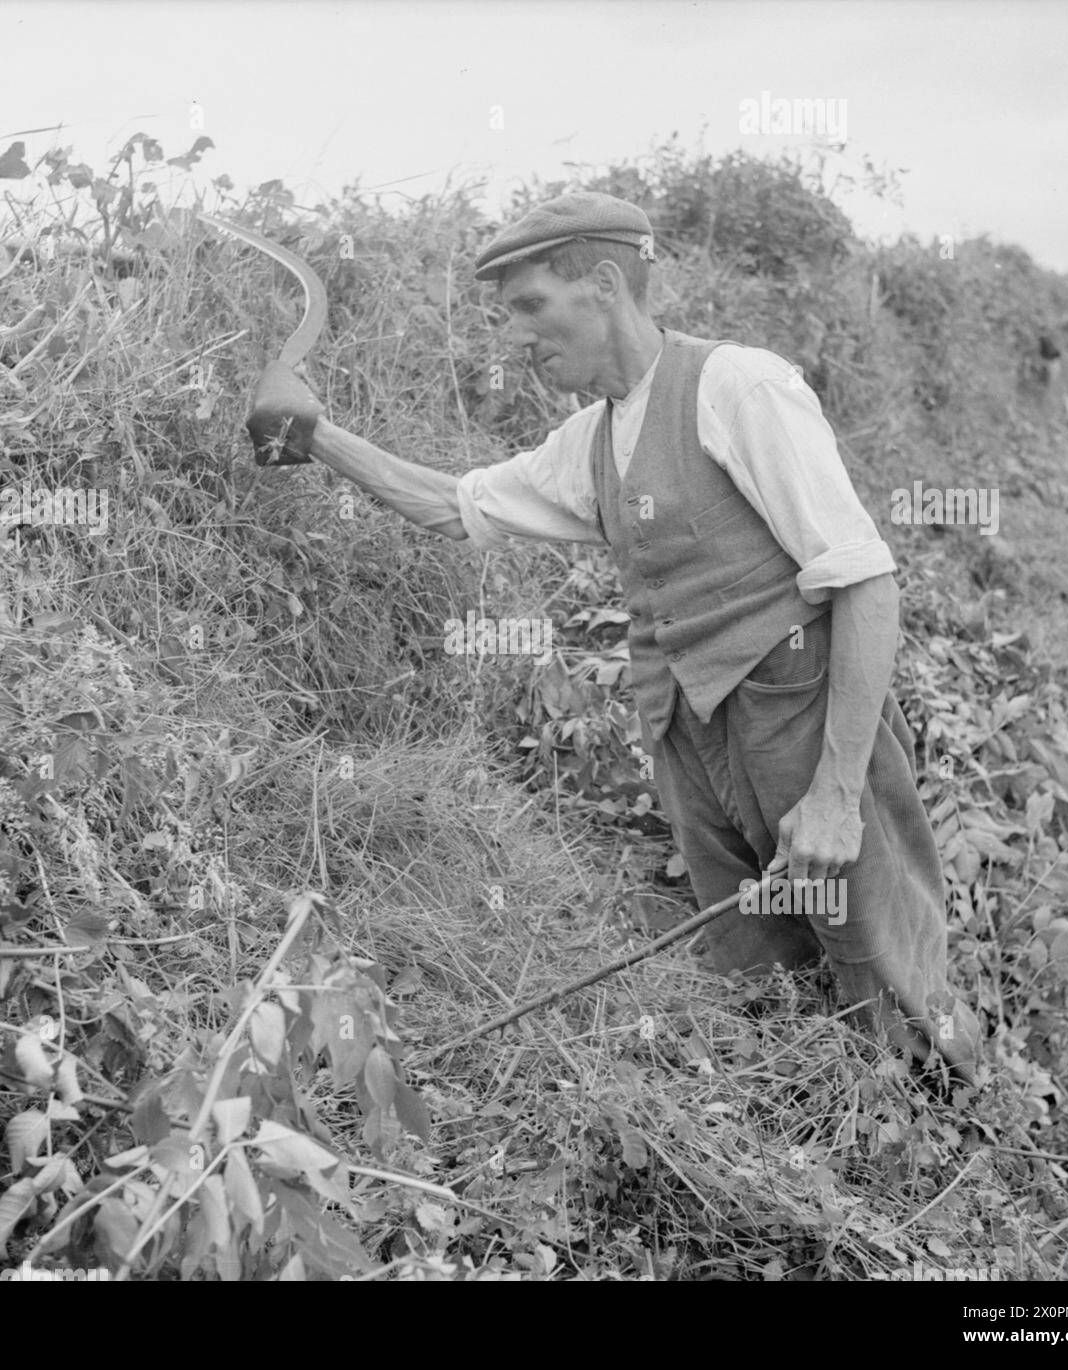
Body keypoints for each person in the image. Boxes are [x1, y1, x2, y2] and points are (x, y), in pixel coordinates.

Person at [245, 189, 981, 1083]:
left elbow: (862, 579)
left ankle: (954, 1140)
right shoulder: (589, 440)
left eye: (530, 306)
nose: (516, 336)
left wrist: (833, 792)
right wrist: (316, 435)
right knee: (758, 970)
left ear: (601, 283)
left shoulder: (738, 387)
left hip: (798, 720)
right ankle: (826, 1162)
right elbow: (452, 504)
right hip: (690, 736)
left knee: (882, 961)